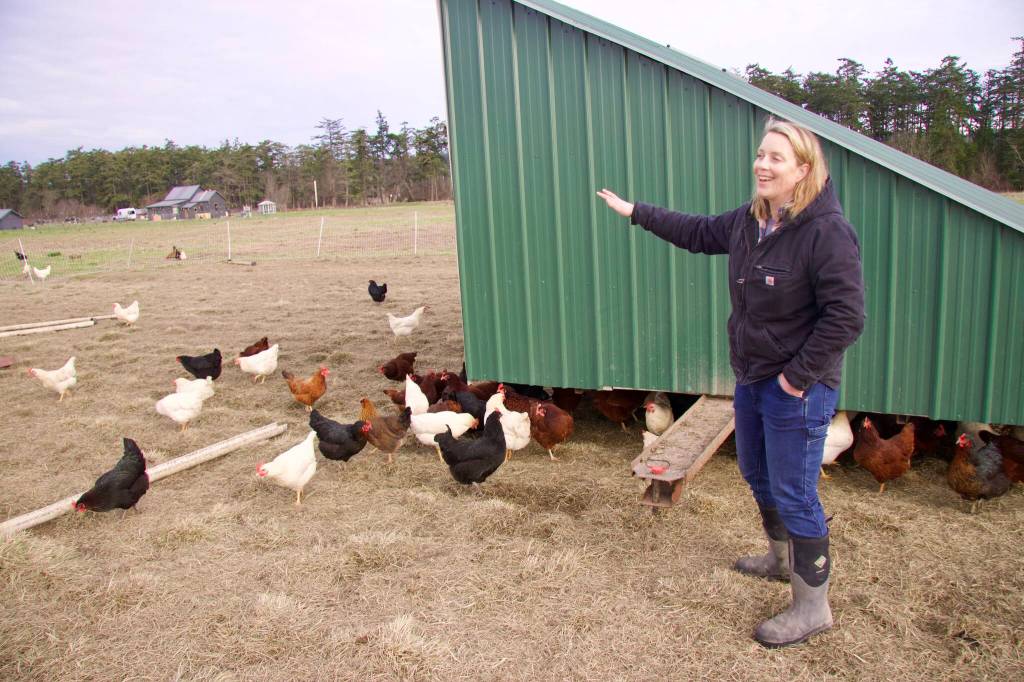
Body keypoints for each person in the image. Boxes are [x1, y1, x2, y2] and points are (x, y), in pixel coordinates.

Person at [597, 118, 865, 648]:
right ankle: (779, 557)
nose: (762, 164)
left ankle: (813, 606)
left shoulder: (825, 232)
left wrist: (794, 380)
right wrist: (637, 213)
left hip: (798, 387)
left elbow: (846, 317)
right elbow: (697, 232)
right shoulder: (751, 220)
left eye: (776, 159)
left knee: (794, 490)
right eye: (761, 154)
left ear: (803, 171)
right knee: (757, 472)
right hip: (752, 375)